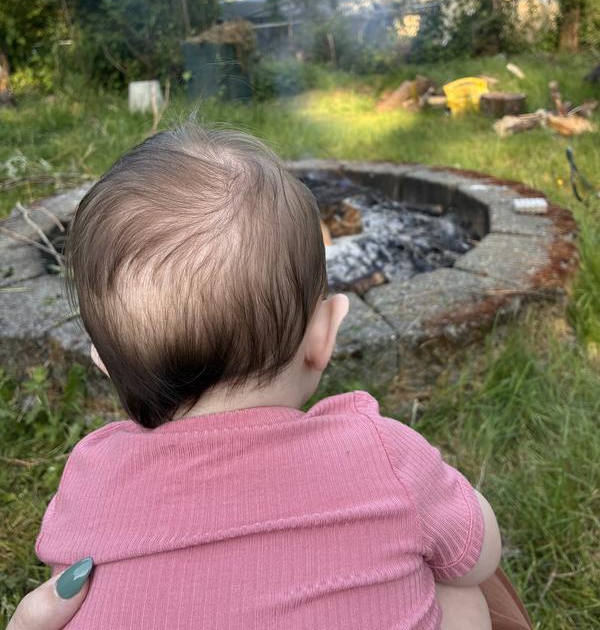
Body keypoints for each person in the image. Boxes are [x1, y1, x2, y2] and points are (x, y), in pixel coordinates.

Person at [34, 123, 523, 629]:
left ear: (102, 360)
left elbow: (69, 583)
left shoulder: (89, 478)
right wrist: (450, 494)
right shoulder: (382, 453)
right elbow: (479, 555)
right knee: (464, 589)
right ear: (323, 336)